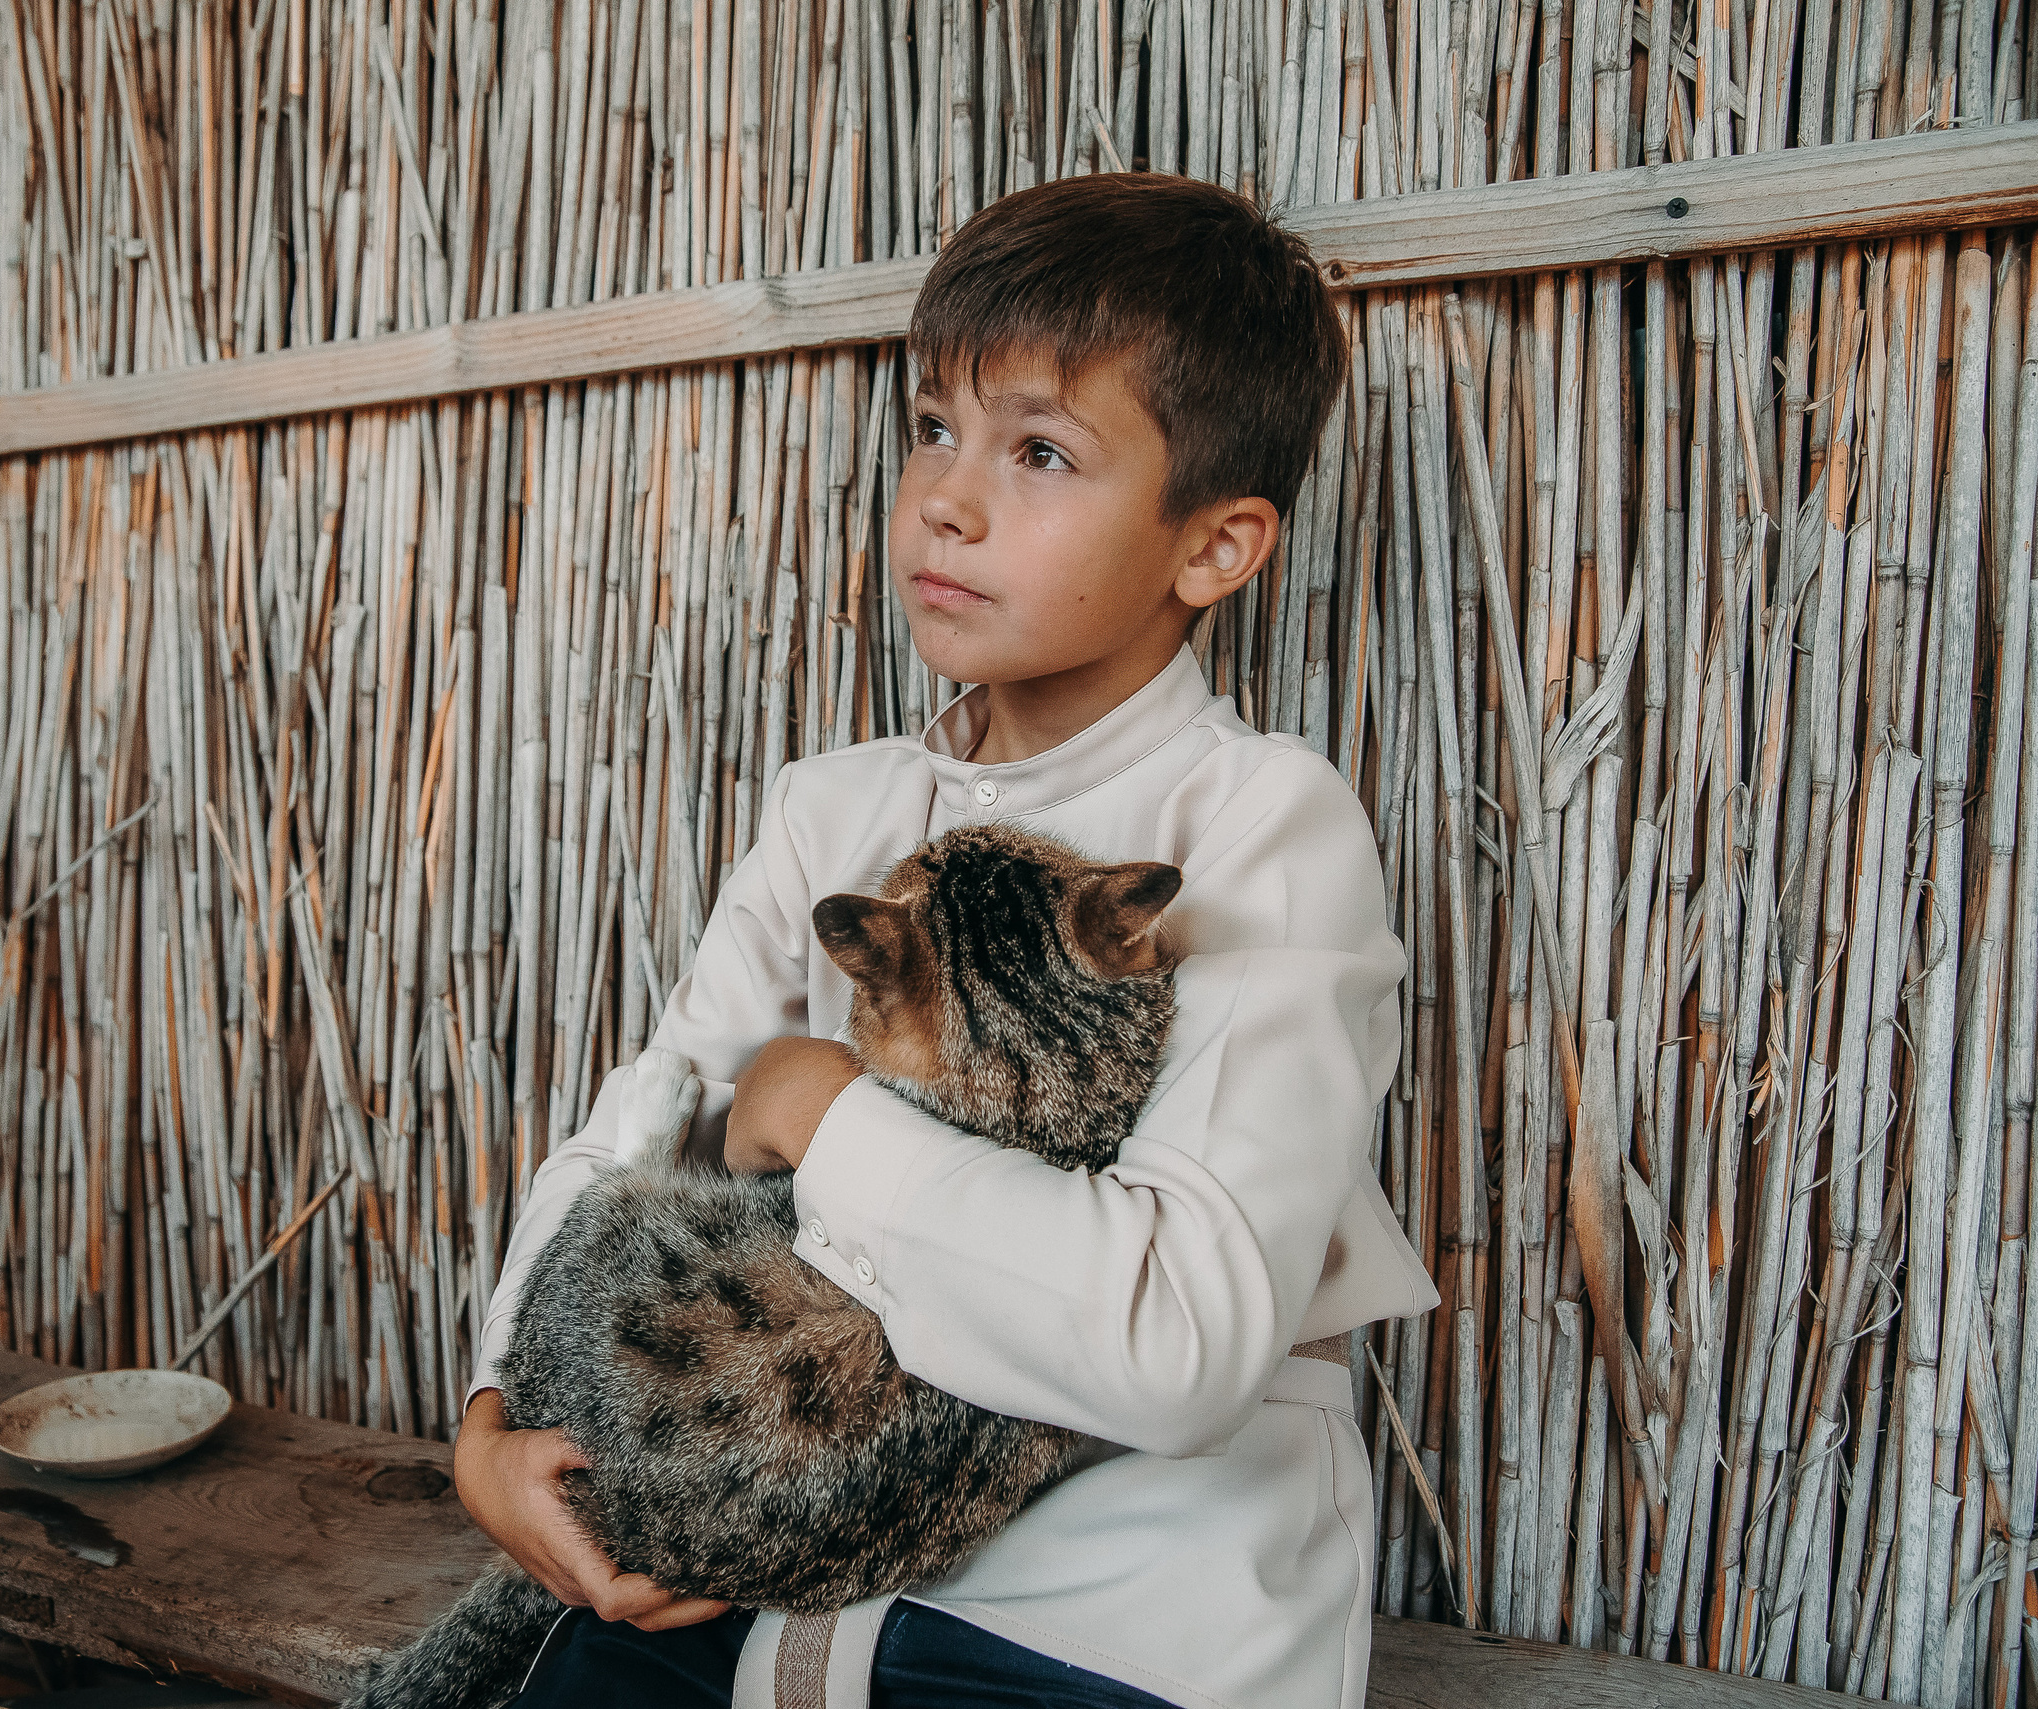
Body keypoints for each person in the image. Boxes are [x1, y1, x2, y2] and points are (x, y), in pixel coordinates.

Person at [448, 171, 1441, 1709]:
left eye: (1040, 449)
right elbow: (633, 1136)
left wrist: (820, 1116)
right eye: (932, 428)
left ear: (1215, 547)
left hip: (1097, 1636)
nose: (947, 498)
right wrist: (493, 1427)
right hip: (720, 1586)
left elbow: (1174, 1341)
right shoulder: (828, 808)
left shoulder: (1262, 827)